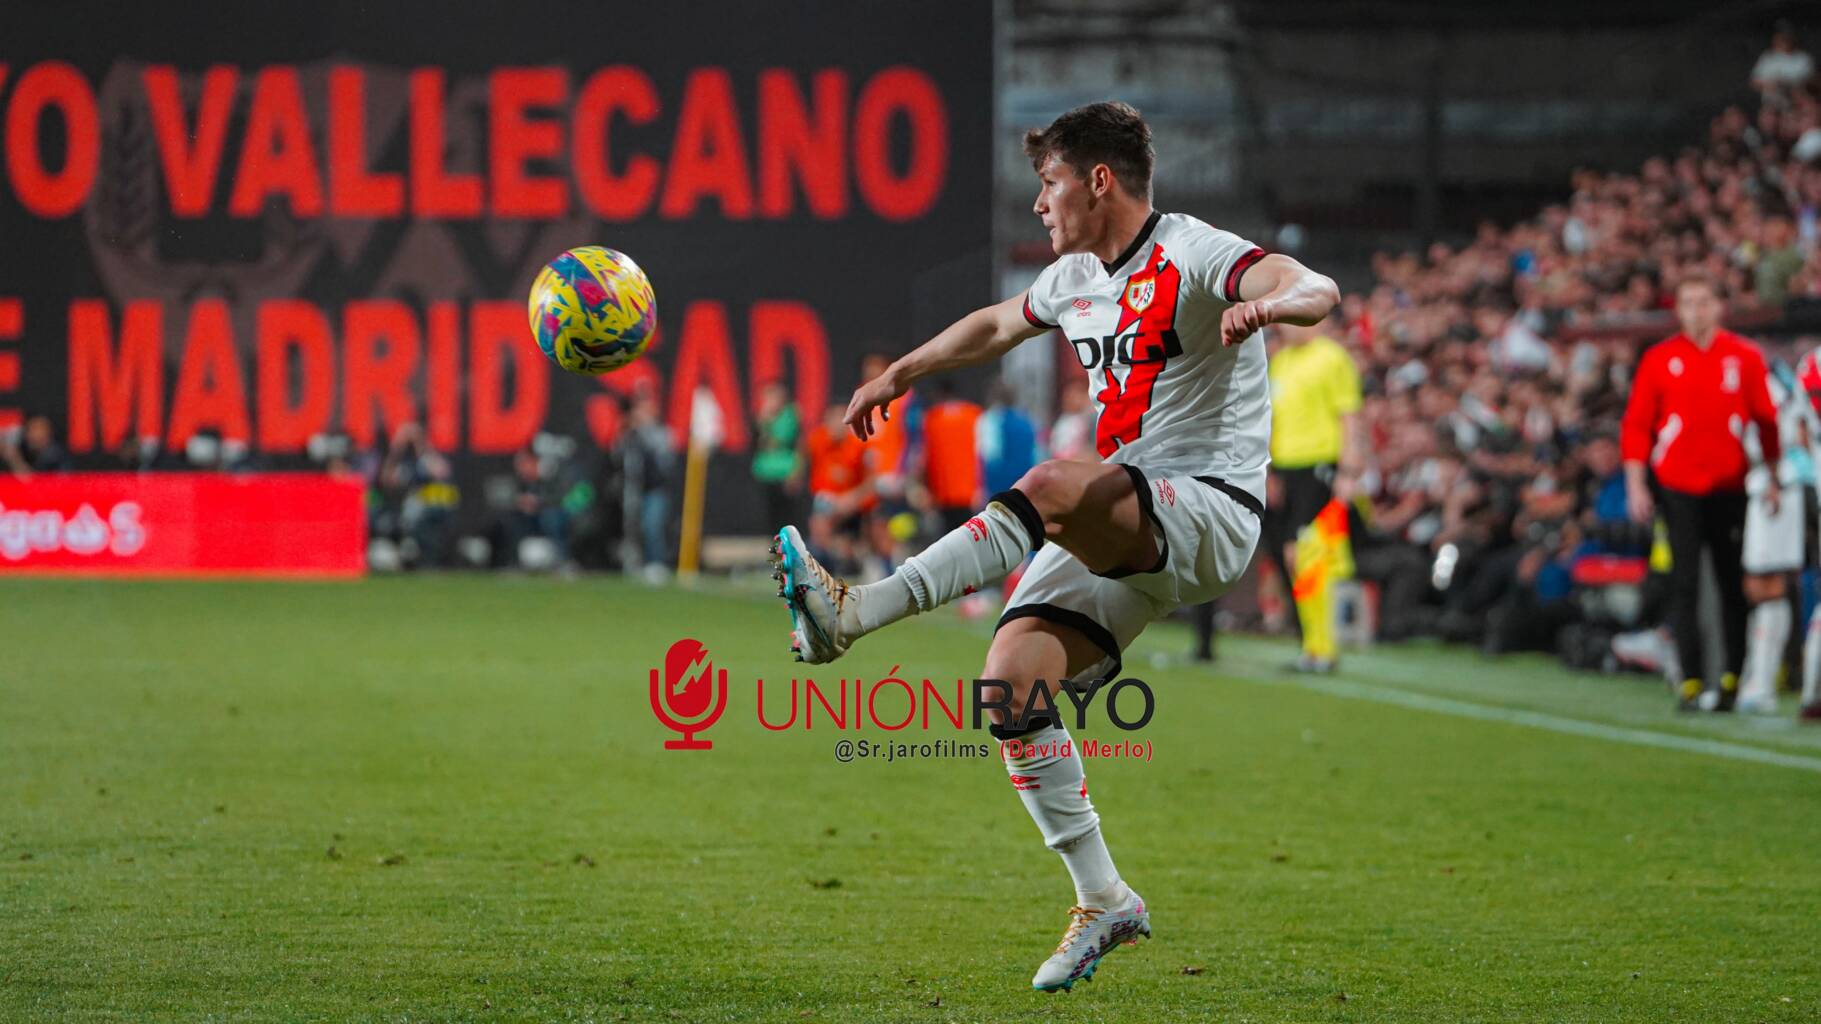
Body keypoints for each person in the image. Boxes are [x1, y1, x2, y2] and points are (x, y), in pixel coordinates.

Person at [767, 101, 1338, 991]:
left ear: (1097, 181)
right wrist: (897, 375)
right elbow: (996, 325)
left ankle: (854, 611)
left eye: (1049, 182)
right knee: (1009, 684)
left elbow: (1314, 286)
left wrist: (1272, 312)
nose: (1040, 203)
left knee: (1048, 484)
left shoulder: (1191, 252)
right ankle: (1104, 898)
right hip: (1127, 518)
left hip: (1210, 509)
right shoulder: (1076, 276)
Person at [1620, 277, 1781, 711]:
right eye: (1688, 302)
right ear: (1679, 310)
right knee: (1684, 582)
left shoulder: (1744, 357)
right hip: (1677, 486)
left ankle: (1731, 674)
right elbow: (1637, 425)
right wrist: (1636, 482)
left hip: (1730, 485)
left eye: (1704, 301)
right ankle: (1690, 679)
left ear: (1718, 306)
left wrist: (1774, 476)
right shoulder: (1660, 359)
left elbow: (1766, 420)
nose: (1696, 310)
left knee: (1733, 582)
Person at [1264, 312, 1362, 672]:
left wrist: (1349, 471)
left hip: (1320, 465)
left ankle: (1324, 648)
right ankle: (1311, 645)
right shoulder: (1279, 361)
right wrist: (1270, 470)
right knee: (1292, 557)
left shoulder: (1332, 357)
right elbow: (1270, 419)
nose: (1290, 326)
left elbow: (1349, 417)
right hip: (1286, 469)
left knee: (1313, 558)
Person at [1738, 357, 1816, 714]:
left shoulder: (1772, 383)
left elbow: (1787, 431)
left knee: (1767, 585)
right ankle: (1761, 677)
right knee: (1767, 586)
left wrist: (1772, 477)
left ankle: (1763, 683)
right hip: (1780, 485)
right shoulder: (1786, 379)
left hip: (1776, 487)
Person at [751, 380, 803, 538]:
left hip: (785, 472)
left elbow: (778, 441)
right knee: (770, 519)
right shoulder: (760, 417)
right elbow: (757, 443)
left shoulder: (789, 415)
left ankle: (789, 555)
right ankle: (775, 555)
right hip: (765, 473)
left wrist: (796, 472)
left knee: (787, 519)